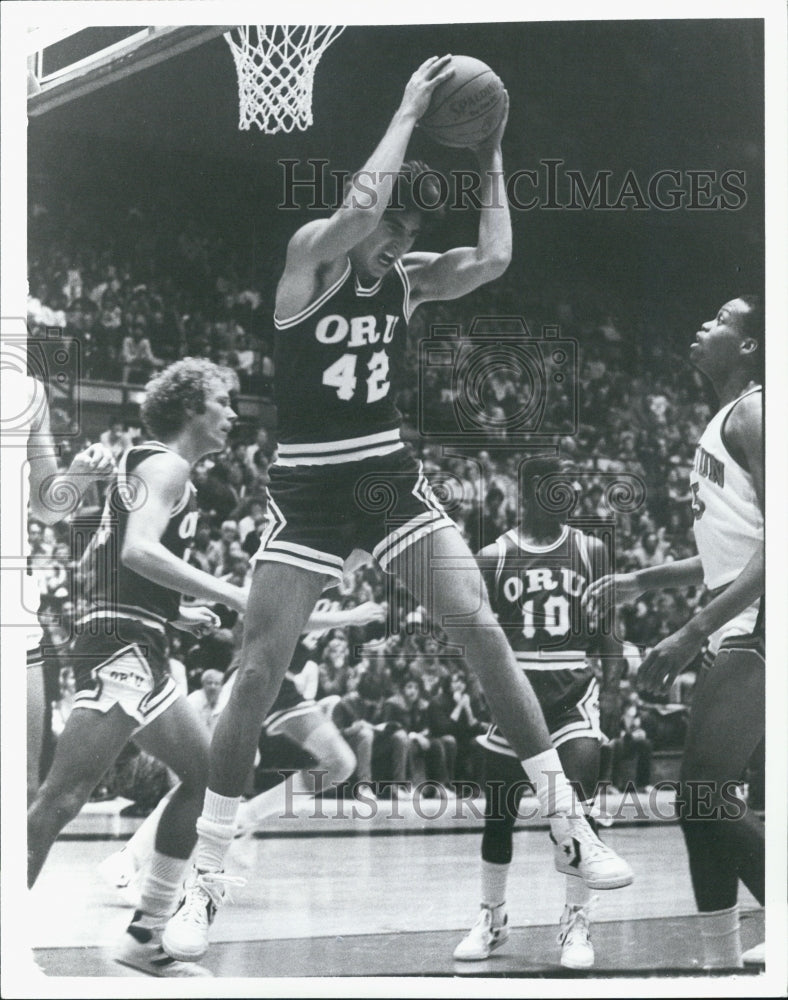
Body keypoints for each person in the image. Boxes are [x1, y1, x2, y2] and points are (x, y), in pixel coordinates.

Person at [163, 55, 631, 965]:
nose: (397, 239)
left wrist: (492, 150)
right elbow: (353, 213)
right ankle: (204, 885)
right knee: (257, 671)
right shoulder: (310, 258)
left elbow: (493, 257)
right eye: (391, 224)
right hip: (304, 482)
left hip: (382, 472)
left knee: (477, 620)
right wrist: (409, 111)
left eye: (409, 227)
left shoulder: (407, 281)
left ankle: (569, 826)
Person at [27, 359, 249, 978]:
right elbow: (138, 551)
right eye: (222, 401)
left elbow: (114, 560)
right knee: (61, 797)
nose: (232, 413)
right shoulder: (167, 465)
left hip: (134, 637)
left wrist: (178, 611)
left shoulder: (149, 465)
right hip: (119, 644)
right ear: (190, 408)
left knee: (209, 778)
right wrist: (233, 595)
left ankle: (146, 932)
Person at [586, 295, 765, 968]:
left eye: (719, 318)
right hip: (738, 623)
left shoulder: (756, 410)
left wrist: (691, 630)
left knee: (699, 793)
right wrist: (643, 582)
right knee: (702, 801)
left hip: (760, 627)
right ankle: (722, 961)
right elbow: (730, 550)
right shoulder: (725, 419)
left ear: (748, 346)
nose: (702, 323)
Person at [453, 456, 629, 969]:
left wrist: (613, 697)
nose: (568, 495)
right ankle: (493, 916)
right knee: (498, 817)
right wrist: (485, 690)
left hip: (572, 693)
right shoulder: (494, 556)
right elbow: (472, 637)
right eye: (557, 487)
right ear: (528, 494)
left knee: (578, 812)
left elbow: (608, 634)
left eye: (571, 487)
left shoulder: (592, 551)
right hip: (517, 695)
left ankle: (577, 920)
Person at [0, 368, 116, 805]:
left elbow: (48, 506)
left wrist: (80, 474)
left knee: (23, 786)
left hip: (12, 602)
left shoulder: (27, 392)